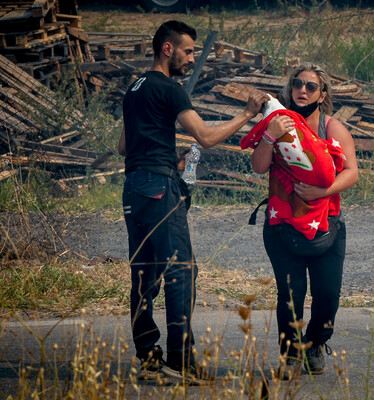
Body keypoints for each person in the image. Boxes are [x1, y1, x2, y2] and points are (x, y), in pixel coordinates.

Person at [117, 20, 268, 384]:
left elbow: (124, 147)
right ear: (167, 49)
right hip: (158, 189)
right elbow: (205, 136)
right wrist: (247, 114)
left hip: (133, 188)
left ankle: (149, 359)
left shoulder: (134, 89)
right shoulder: (170, 89)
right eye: (187, 51)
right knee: (181, 271)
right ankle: (181, 361)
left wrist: (169, 159)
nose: (190, 58)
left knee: (144, 274)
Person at [248, 62, 358, 379]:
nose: (303, 90)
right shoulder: (278, 121)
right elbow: (258, 167)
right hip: (282, 222)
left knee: (327, 294)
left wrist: (324, 188)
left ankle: (316, 343)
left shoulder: (331, 127)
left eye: (311, 86)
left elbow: (351, 172)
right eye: (297, 83)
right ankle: (291, 355)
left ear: (322, 94)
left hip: (327, 224)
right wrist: (270, 136)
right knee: (291, 293)